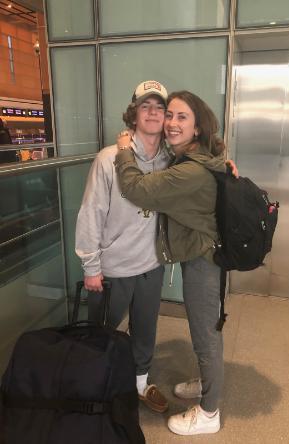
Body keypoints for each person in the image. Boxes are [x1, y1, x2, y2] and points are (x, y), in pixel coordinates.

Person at [115, 90, 238, 436]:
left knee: (204, 335)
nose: (170, 122)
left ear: (197, 127)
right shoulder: (196, 158)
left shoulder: (190, 172)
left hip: (203, 261)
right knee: (207, 328)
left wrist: (125, 149)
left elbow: (136, 188)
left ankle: (209, 412)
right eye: (169, 115)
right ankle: (207, 382)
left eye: (181, 117)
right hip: (204, 253)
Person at [75, 80, 171, 414]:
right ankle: (95, 386)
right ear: (134, 114)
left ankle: (140, 384)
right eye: (145, 106)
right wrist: (91, 267)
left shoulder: (169, 160)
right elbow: (91, 212)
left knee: (145, 331)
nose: (153, 113)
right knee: (100, 333)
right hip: (113, 268)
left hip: (151, 265)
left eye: (159, 107)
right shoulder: (109, 158)